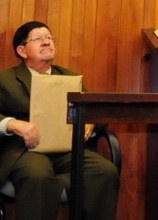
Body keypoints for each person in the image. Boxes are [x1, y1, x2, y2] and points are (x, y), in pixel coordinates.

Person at [0, 21, 119, 220]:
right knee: (38, 176)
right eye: (38, 39)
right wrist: (13, 124)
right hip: (25, 149)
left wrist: (90, 121)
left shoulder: (69, 77)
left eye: (49, 38)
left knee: (105, 171)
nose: (46, 42)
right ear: (22, 50)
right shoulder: (5, 79)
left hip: (66, 149)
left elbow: (95, 111)